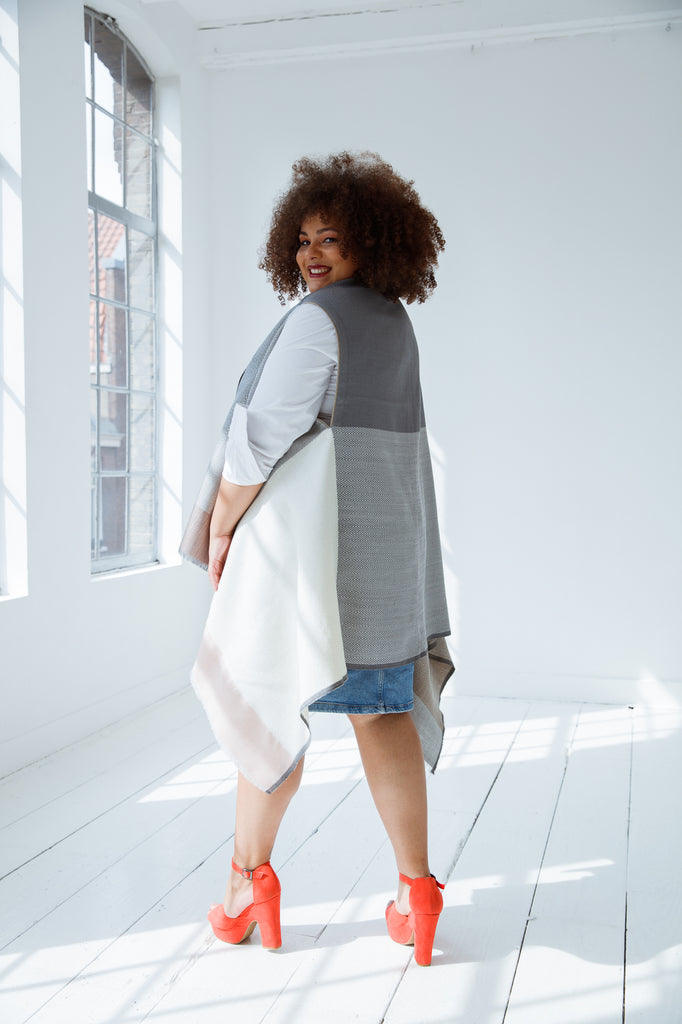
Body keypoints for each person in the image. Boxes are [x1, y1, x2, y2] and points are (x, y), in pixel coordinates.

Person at [180, 152, 454, 967]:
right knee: (383, 715)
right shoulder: (394, 325)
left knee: (266, 703)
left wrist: (221, 527)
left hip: (305, 566)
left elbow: (259, 442)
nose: (311, 254)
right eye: (303, 240)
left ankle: (246, 885)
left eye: (331, 238)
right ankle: (417, 892)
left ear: (372, 240)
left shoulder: (316, 322)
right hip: (379, 566)